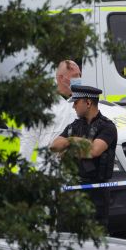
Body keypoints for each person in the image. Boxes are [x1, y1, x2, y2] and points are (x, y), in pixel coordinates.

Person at [50, 85, 118, 230]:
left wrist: (68, 148)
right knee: (65, 236)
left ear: (88, 103)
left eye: (76, 102)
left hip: (96, 192)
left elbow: (94, 151)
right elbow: (54, 146)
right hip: (72, 190)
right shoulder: (74, 126)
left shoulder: (107, 127)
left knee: (95, 241)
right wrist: (72, 141)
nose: (73, 106)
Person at [19, 60, 82, 170]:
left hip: (75, 170)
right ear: (61, 78)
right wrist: (22, 170)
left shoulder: (83, 102)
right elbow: (28, 139)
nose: (79, 79)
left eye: (80, 75)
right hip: (47, 170)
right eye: (75, 76)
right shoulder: (41, 104)